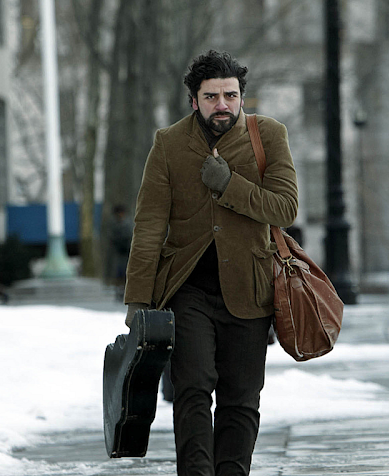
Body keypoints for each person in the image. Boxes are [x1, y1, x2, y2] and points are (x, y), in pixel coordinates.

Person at [123, 50, 298, 476]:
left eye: (230, 95)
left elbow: (285, 208)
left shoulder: (268, 135)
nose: (222, 104)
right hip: (188, 291)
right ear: (194, 100)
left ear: (242, 97)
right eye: (211, 96)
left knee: (241, 398)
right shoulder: (169, 143)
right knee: (192, 389)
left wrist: (230, 185)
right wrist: (138, 299)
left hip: (250, 290)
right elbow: (149, 226)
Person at [110, 204, 133, 301]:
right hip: (120, 252)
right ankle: (120, 291)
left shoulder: (127, 223)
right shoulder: (115, 224)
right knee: (120, 272)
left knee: (126, 272)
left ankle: (125, 291)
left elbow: (130, 236)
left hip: (128, 251)